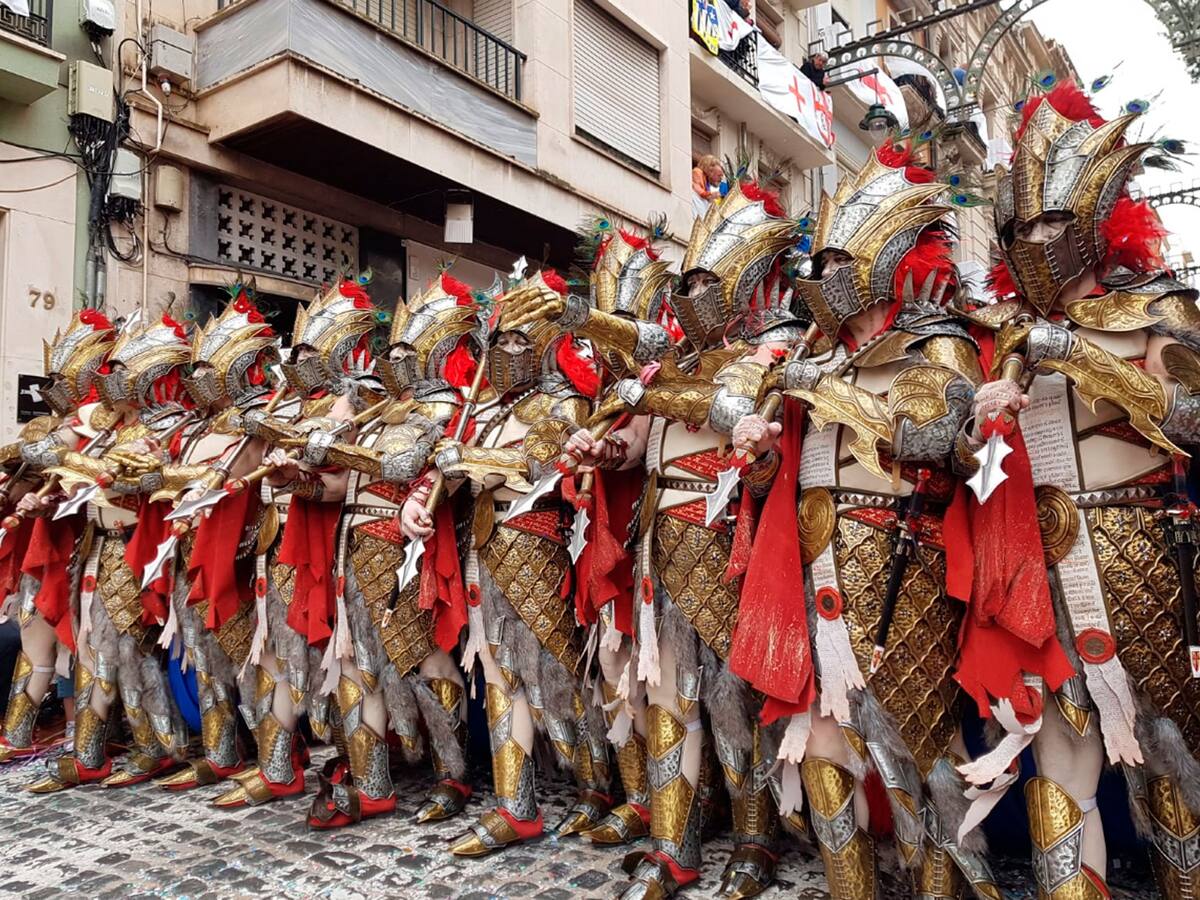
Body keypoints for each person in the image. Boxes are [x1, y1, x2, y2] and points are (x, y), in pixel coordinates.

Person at [962, 81, 1200, 900]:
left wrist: (1080, 351)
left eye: (1053, 222)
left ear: (1097, 217)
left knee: (1171, 756)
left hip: (1147, 556)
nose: (1036, 240)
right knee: (1060, 765)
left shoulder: (1159, 308)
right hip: (1038, 565)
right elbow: (966, 467)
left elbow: (1194, 418)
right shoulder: (1000, 338)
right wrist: (977, 419)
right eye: (1022, 226)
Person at [763, 144, 999, 897]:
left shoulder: (938, 342)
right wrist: (761, 446)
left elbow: (938, 445)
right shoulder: (819, 356)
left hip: (905, 560)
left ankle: (947, 886)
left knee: (921, 742)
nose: (823, 279)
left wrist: (827, 394)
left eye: (837, 261)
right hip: (814, 559)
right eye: (819, 263)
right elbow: (786, 469)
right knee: (823, 740)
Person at [566, 179, 801, 898]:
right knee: (665, 693)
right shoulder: (663, 368)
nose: (695, 293)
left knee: (736, 700)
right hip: (659, 549)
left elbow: (729, 413)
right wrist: (602, 450)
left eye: (710, 281)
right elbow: (635, 445)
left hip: (731, 544)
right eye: (688, 282)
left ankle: (756, 839)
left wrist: (650, 388)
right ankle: (676, 844)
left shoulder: (778, 350)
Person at [289, 271, 479, 828]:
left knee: (426, 661)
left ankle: (454, 773)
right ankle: (372, 786)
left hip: (402, 550)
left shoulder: (445, 408)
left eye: (408, 348)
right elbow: (337, 489)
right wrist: (300, 474)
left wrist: (417, 496)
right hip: (352, 546)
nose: (396, 359)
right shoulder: (374, 413)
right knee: (357, 664)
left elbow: (443, 473)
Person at [26, 313, 195, 792]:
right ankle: (90, 751)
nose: (109, 381)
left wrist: (74, 460)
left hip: (131, 550)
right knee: (92, 648)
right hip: (94, 547)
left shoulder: (164, 426)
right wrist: (51, 491)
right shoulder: (101, 427)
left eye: (121, 371)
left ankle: (160, 744)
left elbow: (128, 477)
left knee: (127, 650)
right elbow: (49, 453)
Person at [154, 285, 281, 792]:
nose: (201, 379)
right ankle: (221, 750)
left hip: (238, 554)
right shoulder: (192, 426)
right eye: (197, 370)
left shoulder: (256, 419)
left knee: (246, 658)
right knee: (204, 657)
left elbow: (236, 475)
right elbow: (172, 474)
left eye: (211, 369)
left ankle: (273, 753)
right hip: (189, 546)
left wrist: (176, 477)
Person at [0, 310, 114, 764]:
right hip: (45, 546)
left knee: (87, 647)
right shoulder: (51, 427)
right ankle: (18, 733)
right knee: (35, 640)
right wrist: (24, 494)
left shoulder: (105, 427)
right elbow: (23, 471)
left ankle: (85, 744)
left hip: (91, 548)